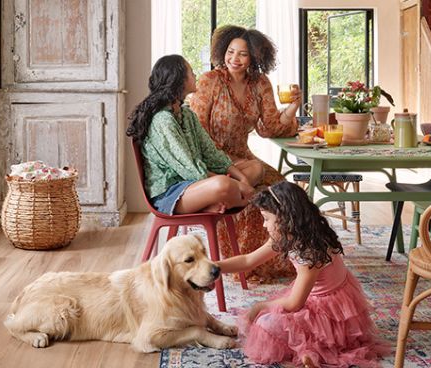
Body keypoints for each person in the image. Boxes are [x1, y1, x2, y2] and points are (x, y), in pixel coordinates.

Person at [216, 182, 389, 368]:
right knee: (268, 319)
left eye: (266, 218)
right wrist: (215, 266)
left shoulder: (308, 251)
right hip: (325, 294)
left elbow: (294, 303)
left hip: (331, 309)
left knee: (265, 325)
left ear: (284, 218)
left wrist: (260, 306)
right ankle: (308, 349)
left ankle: (310, 351)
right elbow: (248, 261)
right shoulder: (292, 233)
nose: (264, 225)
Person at [189, 25, 301, 280]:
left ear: (254, 58)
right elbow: (198, 133)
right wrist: (230, 167)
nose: (234, 59)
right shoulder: (210, 81)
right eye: (230, 52)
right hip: (211, 158)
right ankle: (236, 259)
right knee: (254, 183)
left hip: (242, 157)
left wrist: (293, 106)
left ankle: (267, 261)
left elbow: (271, 128)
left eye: (242, 54)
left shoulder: (260, 83)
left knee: (282, 191)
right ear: (222, 52)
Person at [127, 54, 257, 215]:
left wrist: (242, 179)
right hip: (171, 194)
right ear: (179, 80)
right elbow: (190, 169)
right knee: (223, 184)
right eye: (191, 72)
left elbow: (211, 153)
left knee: (255, 168)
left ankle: (215, 203)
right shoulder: (162, 120)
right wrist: (233, 183)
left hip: (195, 183)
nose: (195, 75)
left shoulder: (187, 114)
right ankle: (244, 199)